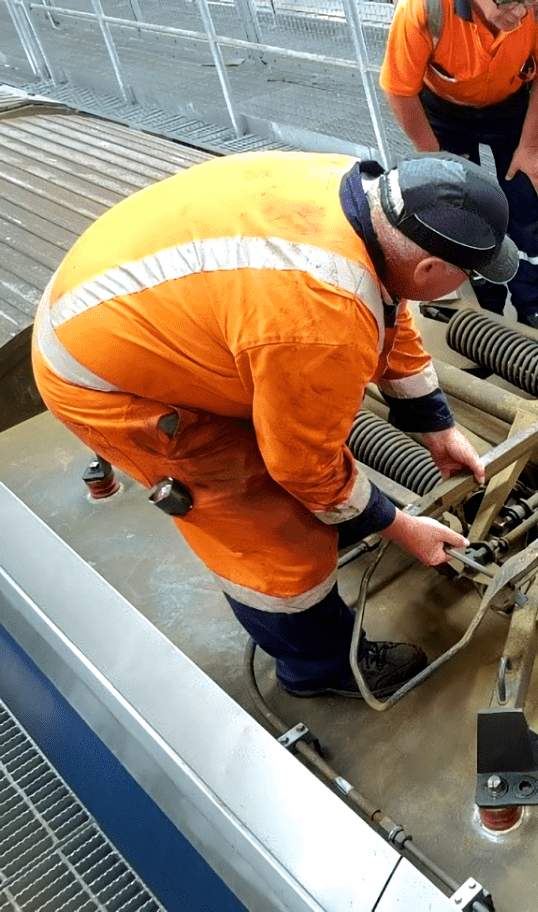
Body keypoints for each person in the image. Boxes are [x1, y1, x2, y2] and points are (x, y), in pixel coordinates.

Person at [31, 150, 512, 699]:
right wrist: (399, 528)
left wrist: (436, 425)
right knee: (272, 536)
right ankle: (320, 667)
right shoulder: (321, 317)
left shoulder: (364, 203)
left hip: (124, 306)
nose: (466, 284)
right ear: (429, 269)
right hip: (107, 384)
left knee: (304, 461)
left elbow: (387, 306)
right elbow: (304, 468)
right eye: (467, 274)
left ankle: (330, 559)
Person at [380, 0, 538, 340]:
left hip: (513, 103)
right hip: (445, 110)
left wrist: (531, 146)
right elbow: (399, 90)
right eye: (507, 3)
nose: (520, 13)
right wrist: (434, 157)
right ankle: (485, 307)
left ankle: (535, 304)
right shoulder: (424, 9)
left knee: (528, 195)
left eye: (528, 3)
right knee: (461, 210)